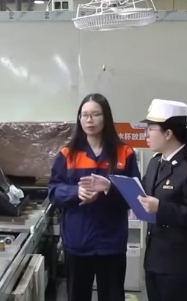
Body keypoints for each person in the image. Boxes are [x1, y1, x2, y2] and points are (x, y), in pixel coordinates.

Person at [48, 93, 140, 301]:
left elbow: (135, 196)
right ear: (79, 119)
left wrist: (109, 188)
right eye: (84, 115)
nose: (89, 120)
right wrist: (75, 192)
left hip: (111, 242)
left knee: (112, 295)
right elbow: (53, 191)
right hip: (78, 241)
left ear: (106, 117)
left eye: (95, 114)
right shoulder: (68, 154)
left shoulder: (124, 153)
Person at [136, 99, 187, 301]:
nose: (146, 135)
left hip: (183, 266)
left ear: (168, 134)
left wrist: (161, 208)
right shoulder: (156, 163)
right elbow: (141, 192)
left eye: (150, 129)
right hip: (155, 261)